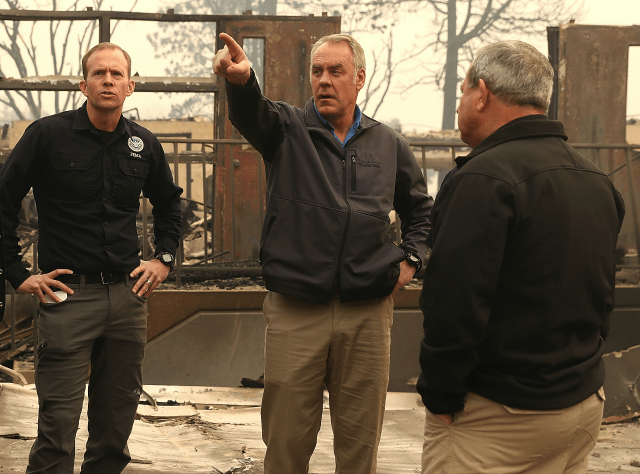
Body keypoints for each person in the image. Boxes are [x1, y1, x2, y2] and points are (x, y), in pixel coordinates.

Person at [213, 32, 432, 473]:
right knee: (286, 444)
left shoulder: (387, 144)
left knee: (359, 447)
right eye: (317, 71)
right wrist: (241, 81)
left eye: (336, 71)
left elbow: (421, 209)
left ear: (360, 78)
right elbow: (252, 114)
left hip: (367, 313)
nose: (325, 80)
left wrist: (412, 260)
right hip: (297, 309)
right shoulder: (287, 128)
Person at [417, 40, 626, 474]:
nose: (459, 106)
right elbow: (601, 295)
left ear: (482, 92)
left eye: (461, 91)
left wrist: (439, 395)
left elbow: (453, 304)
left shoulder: (482, 179)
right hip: (581, 404)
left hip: (500, 419)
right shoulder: (596, 181)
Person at [0, 42, 182, 474]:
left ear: (130, 86)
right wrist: (18, 274)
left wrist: (165, 259)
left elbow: (170, 205)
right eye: (99, 73)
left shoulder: (143, 144)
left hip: (127, 297)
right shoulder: (47, 135)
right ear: (83, 85)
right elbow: (3, 200)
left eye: (116, 74)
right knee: (56, 429)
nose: (108, 80)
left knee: (115, 427)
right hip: (67, 297)